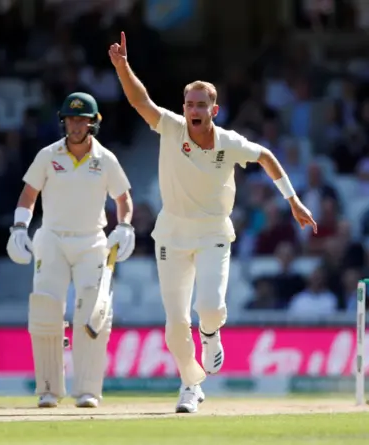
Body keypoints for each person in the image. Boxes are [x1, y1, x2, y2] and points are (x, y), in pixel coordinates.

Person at [109, 32, 317, 413]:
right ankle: (190, 385)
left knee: (210, 305)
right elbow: (140, 101)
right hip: (171, 232)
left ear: (214, 110)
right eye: (189, 103)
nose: (193, 109)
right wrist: (123, 67)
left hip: (212, 231)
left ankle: (210, 334)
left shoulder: (228, 142)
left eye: (201, 104)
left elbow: (267, 156)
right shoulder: (170, 128)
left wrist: (293, 200)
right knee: (174, 327)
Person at [6, 92, 135, 409]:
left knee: (93, 312)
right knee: (45, 310)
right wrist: (20, 227)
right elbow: (28, 194)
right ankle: (49, 388)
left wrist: (126, 225)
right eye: (71, 119)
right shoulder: (48, 155)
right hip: (51, 238)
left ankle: (88, 390)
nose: (76, 126)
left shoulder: (106, 159)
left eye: (82, 120)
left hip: (91, 240)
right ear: (63, 121)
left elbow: (124, 200)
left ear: (93, 124)